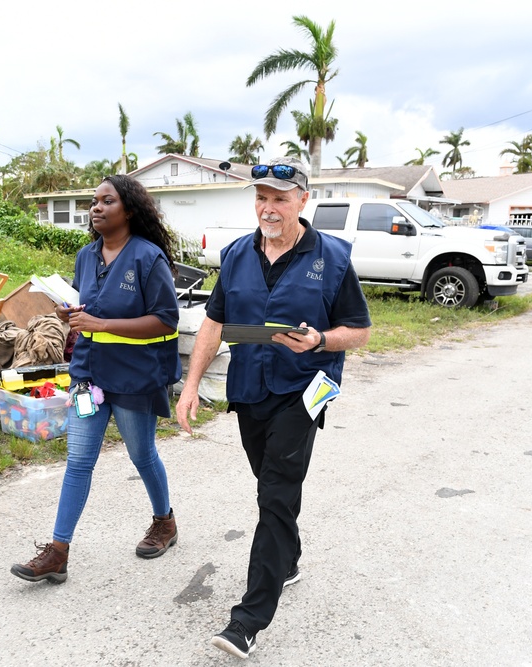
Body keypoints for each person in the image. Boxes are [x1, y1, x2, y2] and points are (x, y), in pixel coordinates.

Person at [176, 157, 372, 659]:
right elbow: (214, 325)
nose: (268, 208)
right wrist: (191, 384)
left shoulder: (333, 257)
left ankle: (247, 620)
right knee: (271, 485)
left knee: (275, 496)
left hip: (304, 390)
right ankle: (288, 558)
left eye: (280, 199)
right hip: (248, 389)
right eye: (261, 198)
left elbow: (361, 330)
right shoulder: (237, 255)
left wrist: (323, 339)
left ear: (302, 201)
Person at [11, 174, 182, 584]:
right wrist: (68, 316)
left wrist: (103, 322)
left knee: (142, 455)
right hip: (89, 372)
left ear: (130, 210)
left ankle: (165, 522)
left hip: (135, 376)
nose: (96, 207)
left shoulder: (147, 258)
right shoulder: (86, 257)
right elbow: (82, 306)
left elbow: (166, 320)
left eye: (107, 200)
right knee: (78, 462)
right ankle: (58, 552)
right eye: (93, 201)